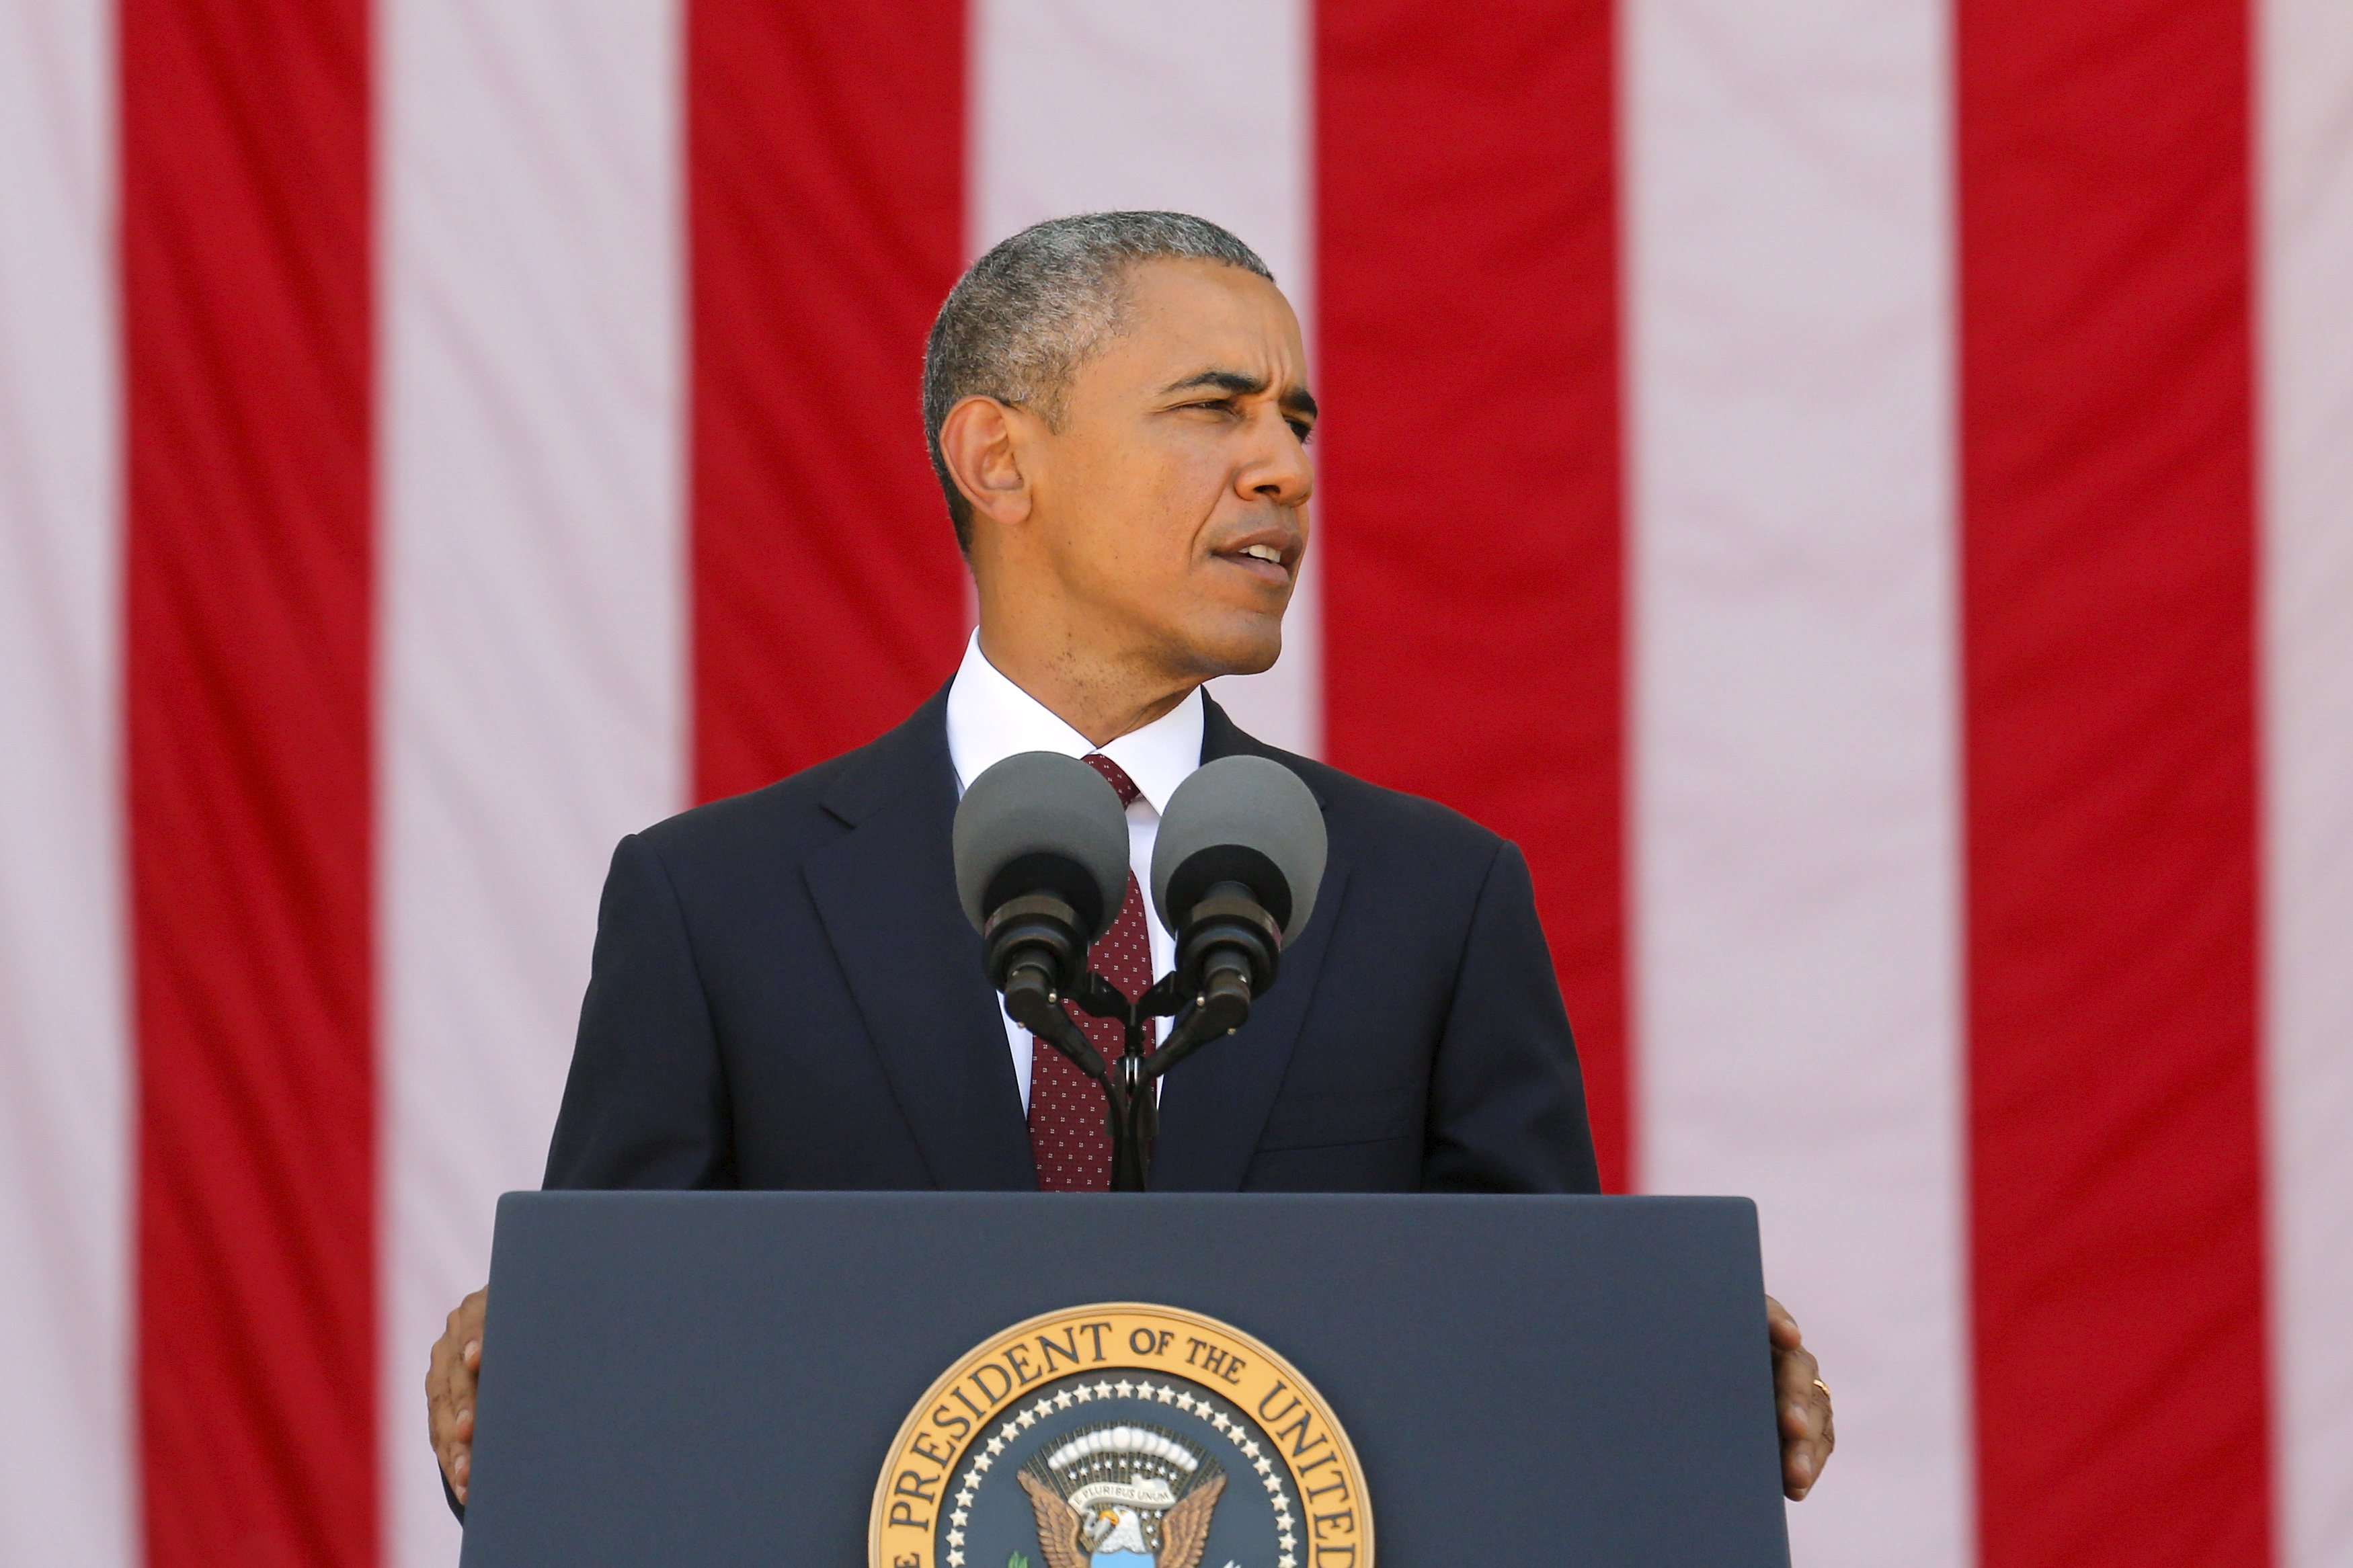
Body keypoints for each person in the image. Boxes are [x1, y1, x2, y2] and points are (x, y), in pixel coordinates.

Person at [425, 212, 1835, 1514]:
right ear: (999, 459)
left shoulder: (1434, 898)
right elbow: (619, 1394)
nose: (1284, 467)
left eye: (1294, 419)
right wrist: (524, 1388)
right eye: (1213, 408)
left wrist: (1680, 1382)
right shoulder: (716, 906)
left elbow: (1530, 1376)